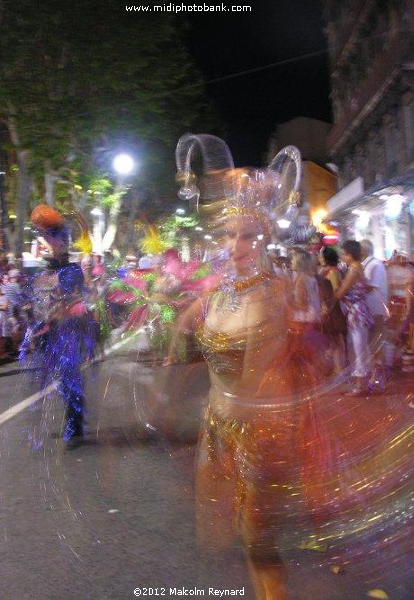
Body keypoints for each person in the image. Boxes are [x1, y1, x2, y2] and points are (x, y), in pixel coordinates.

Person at [166, 136, 308, 600]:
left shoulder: (270, 297)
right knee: (237, 539)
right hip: (220, 420)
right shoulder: (221, 292)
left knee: (257, 537)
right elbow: (185, 332)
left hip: (260, 429)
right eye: (230, 234)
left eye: (248, 235)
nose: (237, 245)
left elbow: (253, 384)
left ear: (264, 236)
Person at [23, 205, 93, 444]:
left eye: (49, 236)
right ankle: (73, 419)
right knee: (58, 378)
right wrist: (35, 326)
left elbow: (76, 301)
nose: (44, 240)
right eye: (43, 236)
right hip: (49, 333)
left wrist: (57, 317)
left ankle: (75, 422)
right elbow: (38, 302)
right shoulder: (43, 272)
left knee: (68, 376)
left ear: (61, 240)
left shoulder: (71, 271)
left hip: (67, 332)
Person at [335, 240, 373, 395]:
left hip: (357, 313)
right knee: (358, 346)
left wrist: (336, 286)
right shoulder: (357, 267)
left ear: (350, 254)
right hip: (357, 311)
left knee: (357, 348)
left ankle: (360, 386)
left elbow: (340, 292)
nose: (342, 257)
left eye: (344, 254)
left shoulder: (354, 269)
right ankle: (362, 383)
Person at [360, 239, 388, 390]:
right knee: (372, 343)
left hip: (376, 309)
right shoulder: (368, 264)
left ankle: (378, 375)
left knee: (376, 342)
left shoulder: (375, 265)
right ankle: (375, 374)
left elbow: (371, 286)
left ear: (363, 251)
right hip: (369, 309)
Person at [318, 246, 347, 375]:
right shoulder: (325, 271)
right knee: (333, 340)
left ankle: (339, 368)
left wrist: (327, 307)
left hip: (333, 309)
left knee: (337, 339)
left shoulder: (334, 272)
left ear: (326, 257)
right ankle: (338, 367)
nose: (319, 257)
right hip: (327, 307)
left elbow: (337, 291)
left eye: (320, 255)